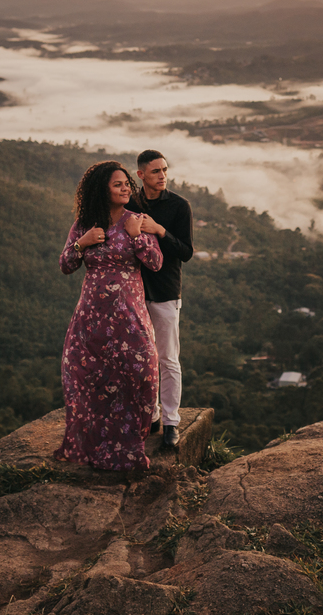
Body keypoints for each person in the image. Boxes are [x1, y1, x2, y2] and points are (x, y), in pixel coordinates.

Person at [55, 161, 163, 471]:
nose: (126, 188)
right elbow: (66, 264)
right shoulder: (84, 224)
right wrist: (82, 242)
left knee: (142, 374)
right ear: (102, 190)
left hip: (129, 316)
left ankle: (131, 441)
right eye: (118, 184)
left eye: (127, 183)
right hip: (91, 317)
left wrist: (137, 236)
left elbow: (155, 262)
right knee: (87, 377)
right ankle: (95, 443)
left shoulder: (137, 221)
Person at [128, 149, 194, 447]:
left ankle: (171, 422)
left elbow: (186, 252)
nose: (163, 175)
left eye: (165, 169)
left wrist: (160, 231)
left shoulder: (179, 206)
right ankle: (151, 415)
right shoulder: (130, 203)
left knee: (167, 358)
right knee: (141, 359)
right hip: (135, 292)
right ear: (141, 175)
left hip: (166, 293)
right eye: (156, 171)